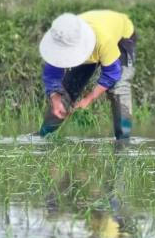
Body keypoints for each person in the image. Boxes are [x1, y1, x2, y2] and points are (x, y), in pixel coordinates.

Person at [38, 10, 136, 141]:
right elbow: (52, 73)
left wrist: (89, 98)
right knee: (65, 91)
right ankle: (43, 136)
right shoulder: (59, 38)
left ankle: (123, 142)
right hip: (87, 39)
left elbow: (113, 73)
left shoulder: (103, 40)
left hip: (121, 36)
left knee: (119, 89)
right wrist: (55, 98)